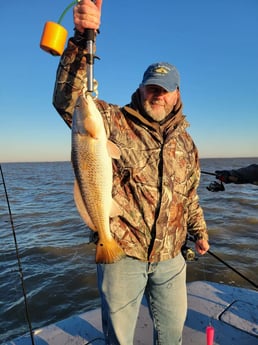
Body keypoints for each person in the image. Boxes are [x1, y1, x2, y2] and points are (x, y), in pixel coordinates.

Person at [53, 1, 210, 344]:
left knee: (171, 336)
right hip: (122, 253)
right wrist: (81, 40)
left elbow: (190, 194)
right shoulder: (112, 121)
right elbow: (68, 100)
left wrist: (198, 230)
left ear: (177, 94)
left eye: (164, 90)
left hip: (171, 258)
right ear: (140, 89)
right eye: (151, 88)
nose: (157, 95)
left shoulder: (187, 144)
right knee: (120, 339)